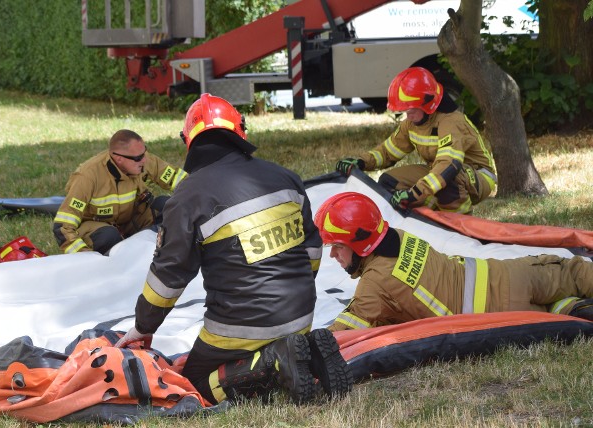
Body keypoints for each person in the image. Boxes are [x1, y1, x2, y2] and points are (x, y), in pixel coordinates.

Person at [115, 94, 352, 405]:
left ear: (190, 141)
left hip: (241, 327)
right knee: (267, 342)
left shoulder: (187, 197)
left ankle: (271, 363)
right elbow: (312, 248)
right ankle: (309, 354)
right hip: (302, 313)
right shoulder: (285, 176)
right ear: (241, 132)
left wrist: (143, 327)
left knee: (195, 384)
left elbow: (168, 278)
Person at [314, 191, 593, 331]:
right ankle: (572, 306)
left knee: (557, 311)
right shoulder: (398, 235)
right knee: (575, 272)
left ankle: (571, 309)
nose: (333, 255)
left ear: (361, 244)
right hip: (514, 275)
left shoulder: (374, 286)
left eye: (337, 247)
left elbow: (340, 334)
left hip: (502, 317)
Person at [335, 67, 497, 215]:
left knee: (447, 180)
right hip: (440, 170)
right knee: (388, 182)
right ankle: (425, 218)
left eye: (411, 110)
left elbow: (449, 164)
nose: (408, 115)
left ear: (428, 105)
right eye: (405, 110)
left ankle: (461, 225)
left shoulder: (451, 121)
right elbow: (388, 151)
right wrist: (361, 162)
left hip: (477, 176)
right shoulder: (411, 124)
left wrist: (416, 193)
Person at [53, 129, 187, 255]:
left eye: (144, 153)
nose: (144, 160)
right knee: (108, 236)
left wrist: (201, 195)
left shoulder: (144, 161)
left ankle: (156, 252)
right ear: (118, 158)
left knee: (169, 206)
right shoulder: (87, 177)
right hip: (99, 228)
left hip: (132, 222)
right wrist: (82, 255)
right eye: (138, 158)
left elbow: (180, 180)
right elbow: (63, 226)